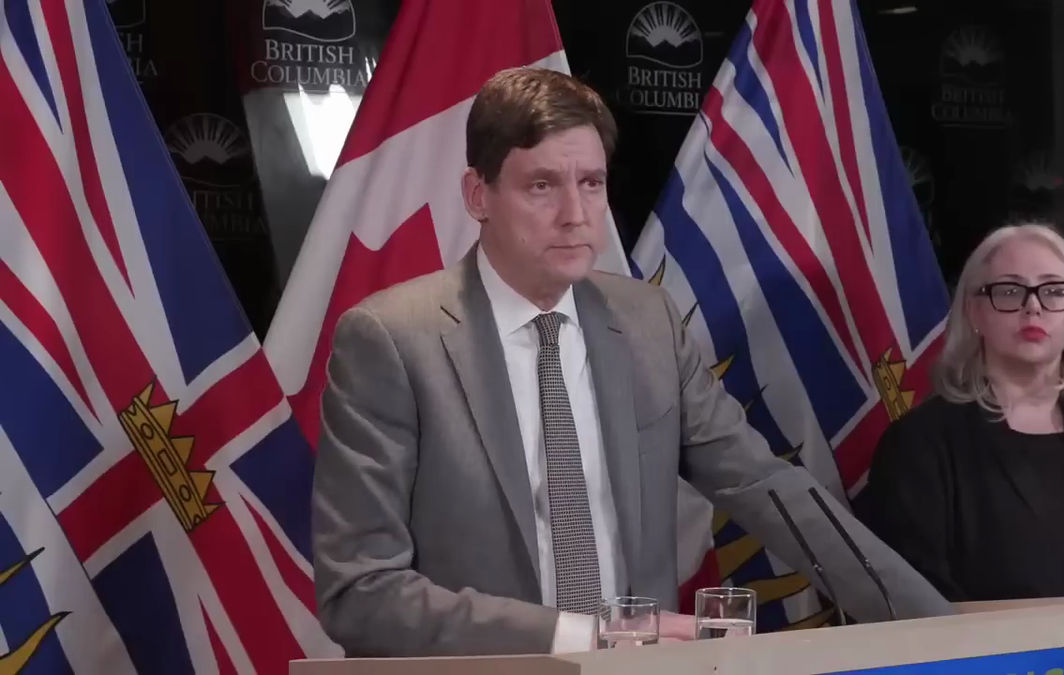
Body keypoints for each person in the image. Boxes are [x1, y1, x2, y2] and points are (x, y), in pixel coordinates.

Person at [311, 67, 952, 659]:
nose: (575, 214)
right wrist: (584, 639)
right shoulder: (391, 341)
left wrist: (937, 628)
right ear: (478, 194)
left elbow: (768, 489)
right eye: (542, 185)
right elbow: (360, 591)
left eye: (591, 183)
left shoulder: (647, 322)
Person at [858, 223, 1064, 603]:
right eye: (1010, 290)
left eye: (1054, 290)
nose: (1033, 306)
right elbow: (915, 610)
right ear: (974, 312)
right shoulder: (921, 447)